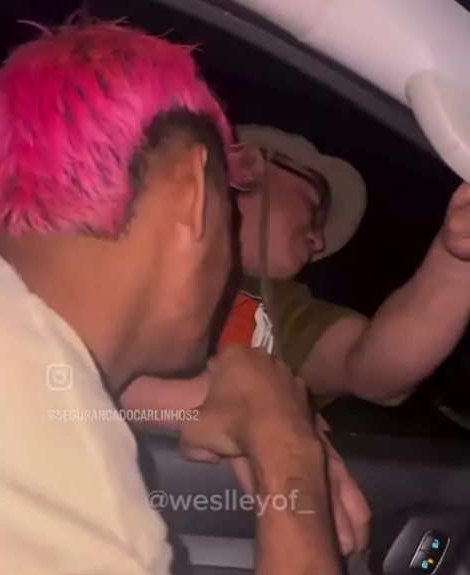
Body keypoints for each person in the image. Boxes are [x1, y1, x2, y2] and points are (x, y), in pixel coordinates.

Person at [0, 21, 358, 575]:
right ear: (192, 196)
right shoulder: (67, 495)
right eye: (227, 207)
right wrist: (285, 448)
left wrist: (204, 403)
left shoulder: (22, 359)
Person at [123, 124, 470, 553]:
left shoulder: (279, 306)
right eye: (312, 203)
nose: (318, 239)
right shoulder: (128, 235)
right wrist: (255, 413)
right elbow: (71, 366)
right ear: (246, 167)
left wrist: (455, 260)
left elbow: (376, 371)